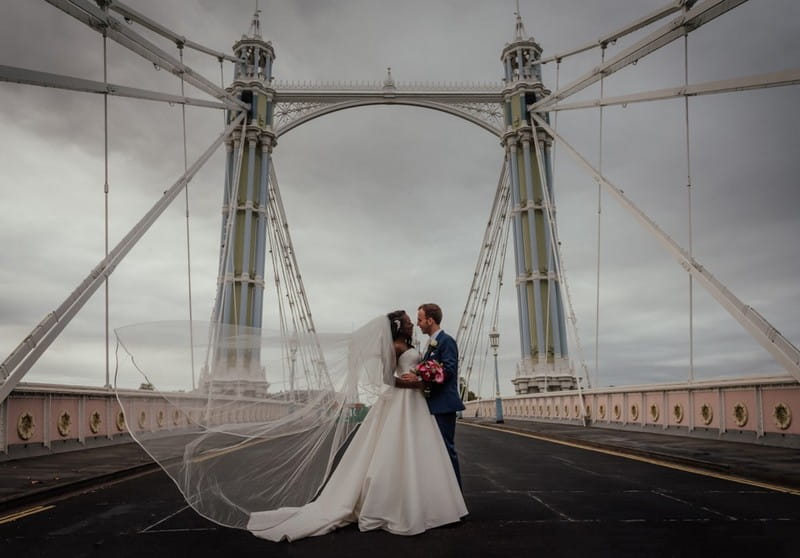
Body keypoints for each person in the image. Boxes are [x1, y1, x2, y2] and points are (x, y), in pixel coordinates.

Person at [246, 311, 467, 541]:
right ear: (400, 326)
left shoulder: (414, 344)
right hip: (405, 400)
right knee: (398, 449)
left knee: (422, 451)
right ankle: (401, 504)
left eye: (415, 321)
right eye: (410, 323)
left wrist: (421, 381)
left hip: (418, 404)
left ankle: (429, 502)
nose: (413, 325)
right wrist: (414, 385)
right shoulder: (394, 347)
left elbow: (435, 370)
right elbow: (387, 379)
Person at [403, 303, 466, 488]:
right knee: (435, 453)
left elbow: (449, 371)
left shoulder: (447, 341)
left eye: (420, 319)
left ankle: (457, 500)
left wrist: (419, 376)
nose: (418, 323)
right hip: (432, 405)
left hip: (444, 405)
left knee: (446, 451)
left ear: (430, 320)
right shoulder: (431, 344)